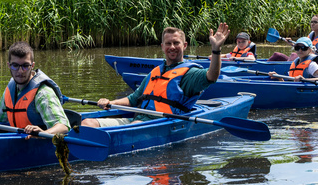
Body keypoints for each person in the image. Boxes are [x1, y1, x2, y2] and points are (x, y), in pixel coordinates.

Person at [82, 23, 230, 127]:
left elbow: (212, 76)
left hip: (161, 123)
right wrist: (110, 102)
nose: (172, 47)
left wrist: (216, 50)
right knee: (87, 123)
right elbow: (133, 99)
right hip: (139, 120)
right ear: (162, 46)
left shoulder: (190, 73)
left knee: (136, 124)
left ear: (184, 45)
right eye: (168, 43)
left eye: (176, 43)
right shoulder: (155, 72)